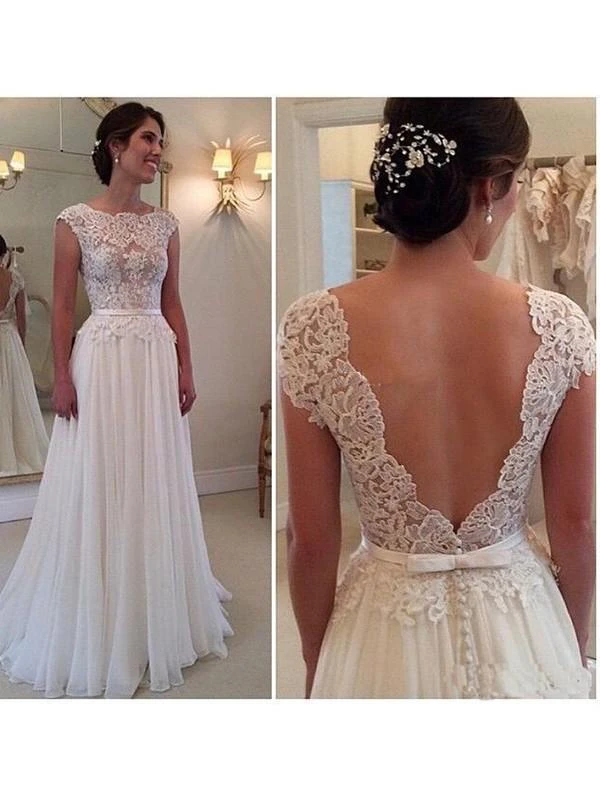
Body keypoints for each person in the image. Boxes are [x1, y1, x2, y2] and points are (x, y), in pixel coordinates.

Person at [278, 98, 595, 699]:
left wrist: (317, 665)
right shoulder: (560, 325)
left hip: (382, 626)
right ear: (490, 186)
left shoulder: (312, 325)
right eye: (515, 184)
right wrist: (572, 649)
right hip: (521, 622)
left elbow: (310, 538)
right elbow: (575, 526)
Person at [0, 103, 232, 698]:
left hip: (154, 354)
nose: (157, 151)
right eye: (148, 140)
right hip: (100, 355)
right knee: (99, 470)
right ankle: (98, 596)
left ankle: (152, 597)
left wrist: (186, 365)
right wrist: (61, 377)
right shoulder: (73, 221)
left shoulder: (166, 224)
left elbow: (173, 301)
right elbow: (61, 307)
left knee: (151, 471)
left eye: (160, 142)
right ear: (115, 147)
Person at [0, 235, 49, 477]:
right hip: (9, 340)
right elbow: (21, 322)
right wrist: (20, 348)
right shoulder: (15, 279)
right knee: (13, 395)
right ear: (4, 254)